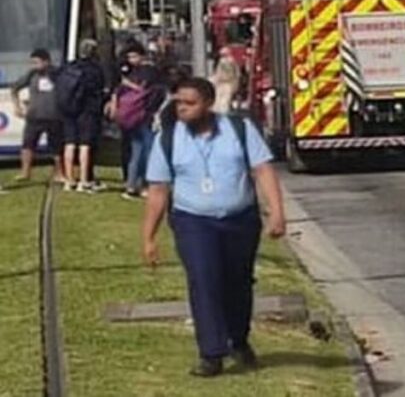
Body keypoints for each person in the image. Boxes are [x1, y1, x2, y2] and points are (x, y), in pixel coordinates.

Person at [142, 77, 286, 378]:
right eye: (179, 102)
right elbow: (158, 190)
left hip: (240, 220)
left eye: (190, 103)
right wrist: (149, 237)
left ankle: (239, 340)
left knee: (238, 282)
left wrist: (276, 213)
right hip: (193, 221)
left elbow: (263, 170)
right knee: (204, 280)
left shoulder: (239, 129)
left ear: (208, 104)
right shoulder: (167, 138)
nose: (182, 109)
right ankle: (211, 353)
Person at [112, 43, 164, 199]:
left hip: (131, 117)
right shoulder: (150, 72)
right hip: (144, 116)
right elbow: (151, 91)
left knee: (136, 151)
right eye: (130, 57)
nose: (131, 59)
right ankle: (142, 184)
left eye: (134, 56)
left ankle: (131, 184)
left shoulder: (127, 74)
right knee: (144, 151)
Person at [9, 49, 65, 188]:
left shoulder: (58, 74)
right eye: (32, 62)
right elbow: (14, 88)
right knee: (28, 144)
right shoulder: (31, 75)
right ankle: (25, 172)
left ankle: (59, 172)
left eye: (37, 62)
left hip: (54, 116)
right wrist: (17, 106)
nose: (34, 65)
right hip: (34, 116)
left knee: (56, 147)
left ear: (46, 61)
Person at [57, 39, 108, 193]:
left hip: (69, 109)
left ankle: (69, 180)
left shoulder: (69, 66)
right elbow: (99, 89)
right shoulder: (95, 69)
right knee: (85, 145)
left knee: (70, 143)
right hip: (88, 110)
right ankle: (85, 180)